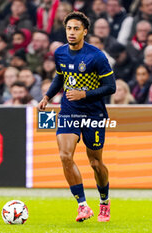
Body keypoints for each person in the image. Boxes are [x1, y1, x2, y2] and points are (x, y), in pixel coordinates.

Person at [38, 12, 115, 222]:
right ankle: (82, 205)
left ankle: (104, 202)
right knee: (65, 155)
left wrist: (85, 94)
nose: (71, 33)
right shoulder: (60, 53)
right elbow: (61, 77)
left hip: (93, 113)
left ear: (85, 32)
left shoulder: (97, 56)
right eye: (69, 28)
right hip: (69, 111)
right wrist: (47, 96)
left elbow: (111, 87)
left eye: (76, 29)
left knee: (96, 163)